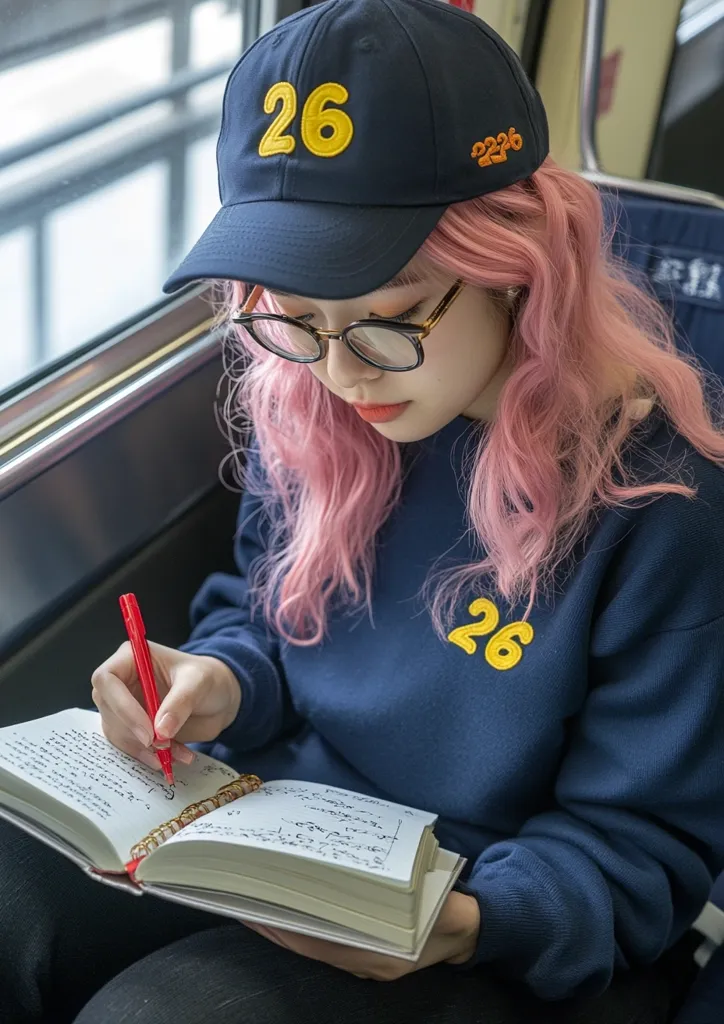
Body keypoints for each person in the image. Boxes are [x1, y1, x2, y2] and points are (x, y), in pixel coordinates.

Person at [1, 0, 722, 1021]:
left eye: (385, 321)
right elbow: (268, 620)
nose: (338, 373)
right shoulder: (310, 408)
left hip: (487, 908)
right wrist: (219, 679)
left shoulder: (662, 513)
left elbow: (639, 850)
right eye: (293, 318)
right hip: (282, 825)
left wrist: (459, 921)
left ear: (517, 271)